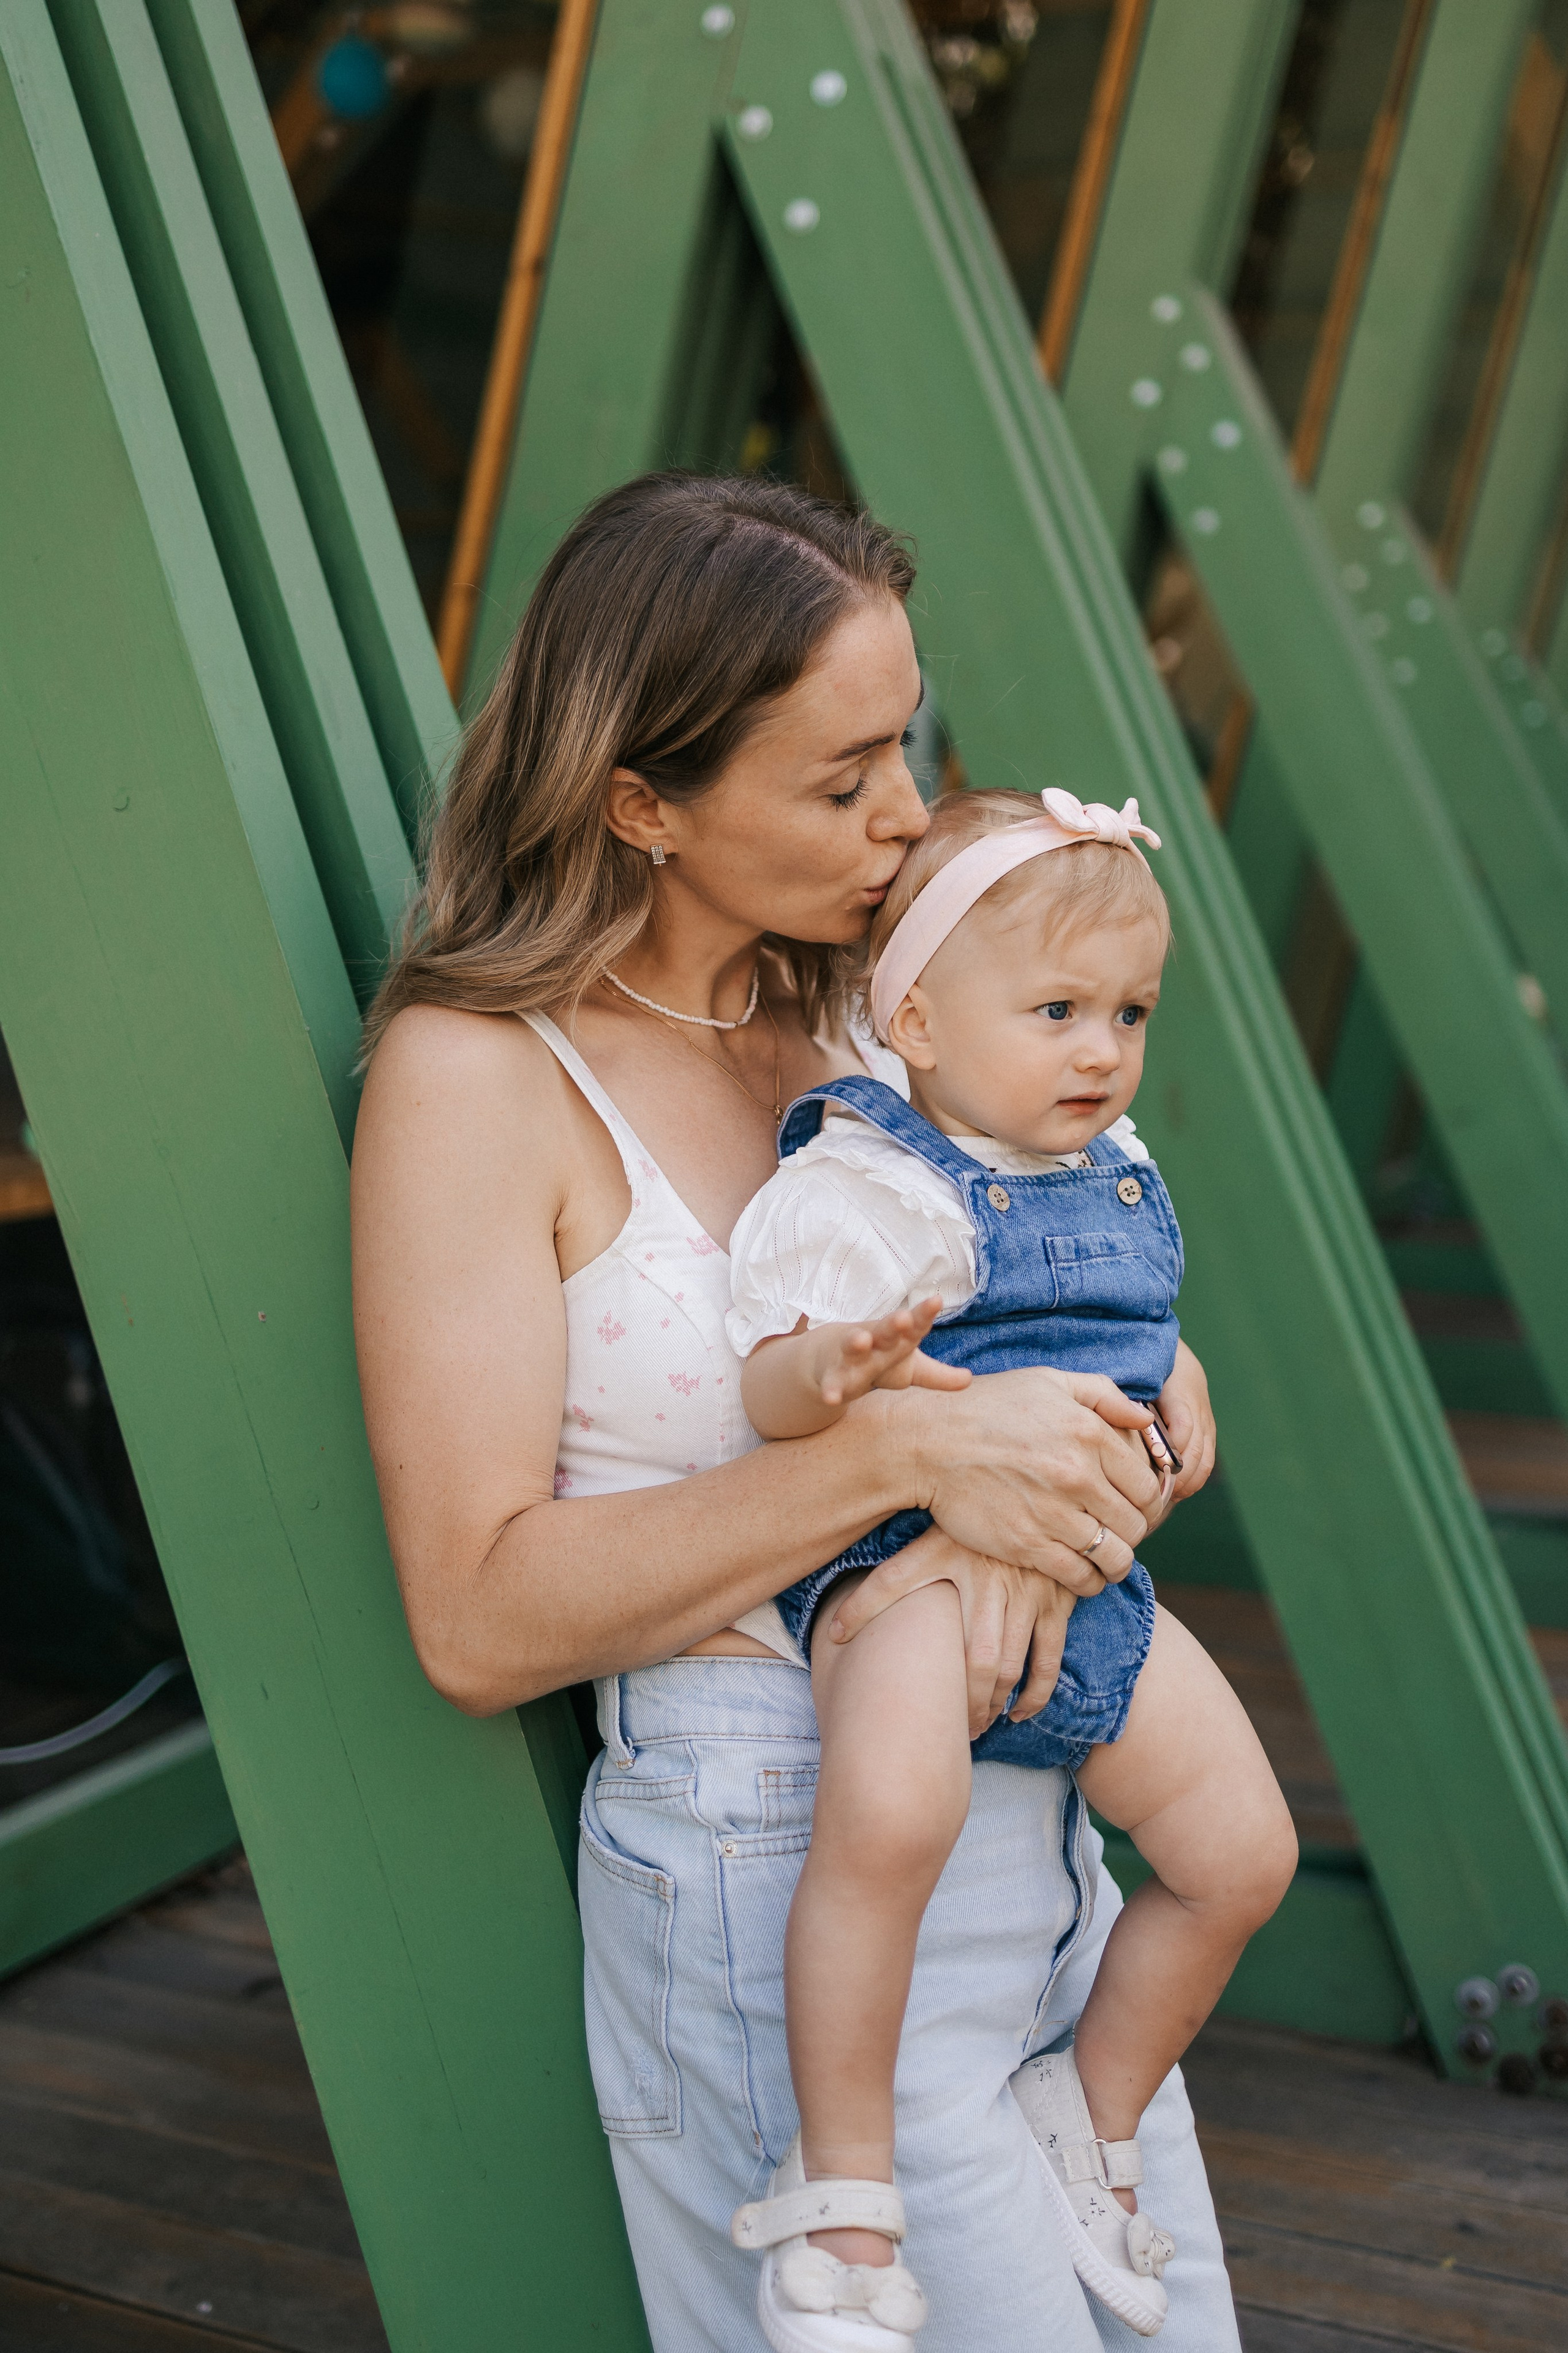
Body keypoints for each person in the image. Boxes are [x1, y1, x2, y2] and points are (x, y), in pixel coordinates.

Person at [351, 469, 1246, 2352]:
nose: (911, 816)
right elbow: (475, 1615)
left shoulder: (887, 1011)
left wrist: (1117, 1453)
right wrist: (912, 1459)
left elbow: (1126, 1343)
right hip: (772, 1888)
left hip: (1042, 1841)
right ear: (642, 800)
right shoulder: (481, 1079)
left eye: (903, 748)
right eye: (842, 784)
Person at [725, 787, 1297, 2344]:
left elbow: (1137, 1375)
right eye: (1054, 1010)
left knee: (1242, 1852)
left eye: (1126, 1011)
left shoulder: (1109, 1163)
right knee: (890, 1818)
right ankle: (842, 2186)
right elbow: (765, 1384)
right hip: (905, 1580)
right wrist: (836, 1368)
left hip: (1086, 1583)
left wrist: (1179, 1405)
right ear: (911, 1012)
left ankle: (1090, 2104)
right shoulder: (868, 1180)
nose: (1101, 1051)